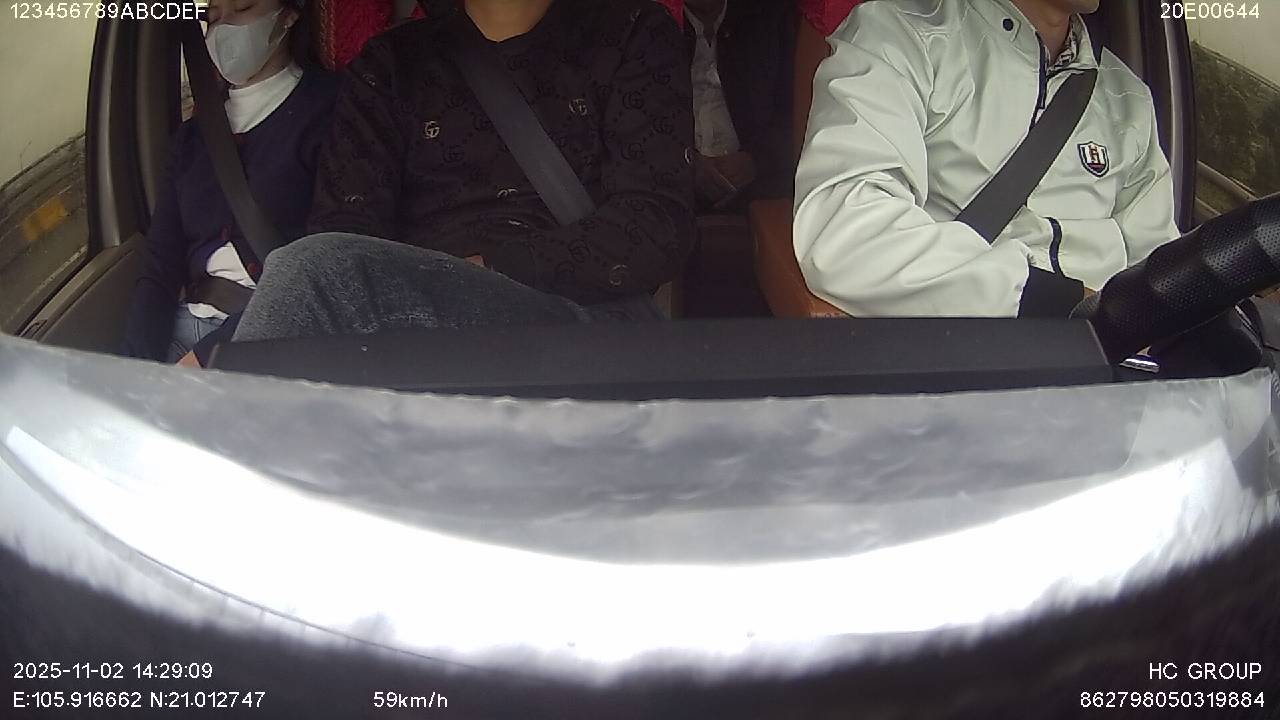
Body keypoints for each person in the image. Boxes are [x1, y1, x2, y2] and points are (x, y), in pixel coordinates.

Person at [220, 0, 695, 348]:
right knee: (316, 269)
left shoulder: (630, 30)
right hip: (414, 319)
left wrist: (483, 268)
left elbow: (654, 226)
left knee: (312, 271)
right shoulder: (391, 63)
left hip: (579, 317)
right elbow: (347, 227)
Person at [792, 0, 1181, 317]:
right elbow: (847, 237)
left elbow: (1162, 272)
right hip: (965, 357)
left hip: (1116, 369)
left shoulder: (1129, 98)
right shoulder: (899, 37)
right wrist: (1059, 302)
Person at [123, 0, 339, 362]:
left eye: (242, 8)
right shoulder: (191, 139)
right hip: (185, 334)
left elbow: (329, 261)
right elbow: (159, 267)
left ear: (288, 16)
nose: (223, 28)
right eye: (212, 17)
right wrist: (135, 367)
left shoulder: (336, 109)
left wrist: (209, 357)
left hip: (285, 339)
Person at [683, 0, 796, 209]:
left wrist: (755, 159)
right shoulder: (651, 28)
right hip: (672, 187)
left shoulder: (771, 19)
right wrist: (686, 162)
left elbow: (797, 112)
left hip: (763, 185)